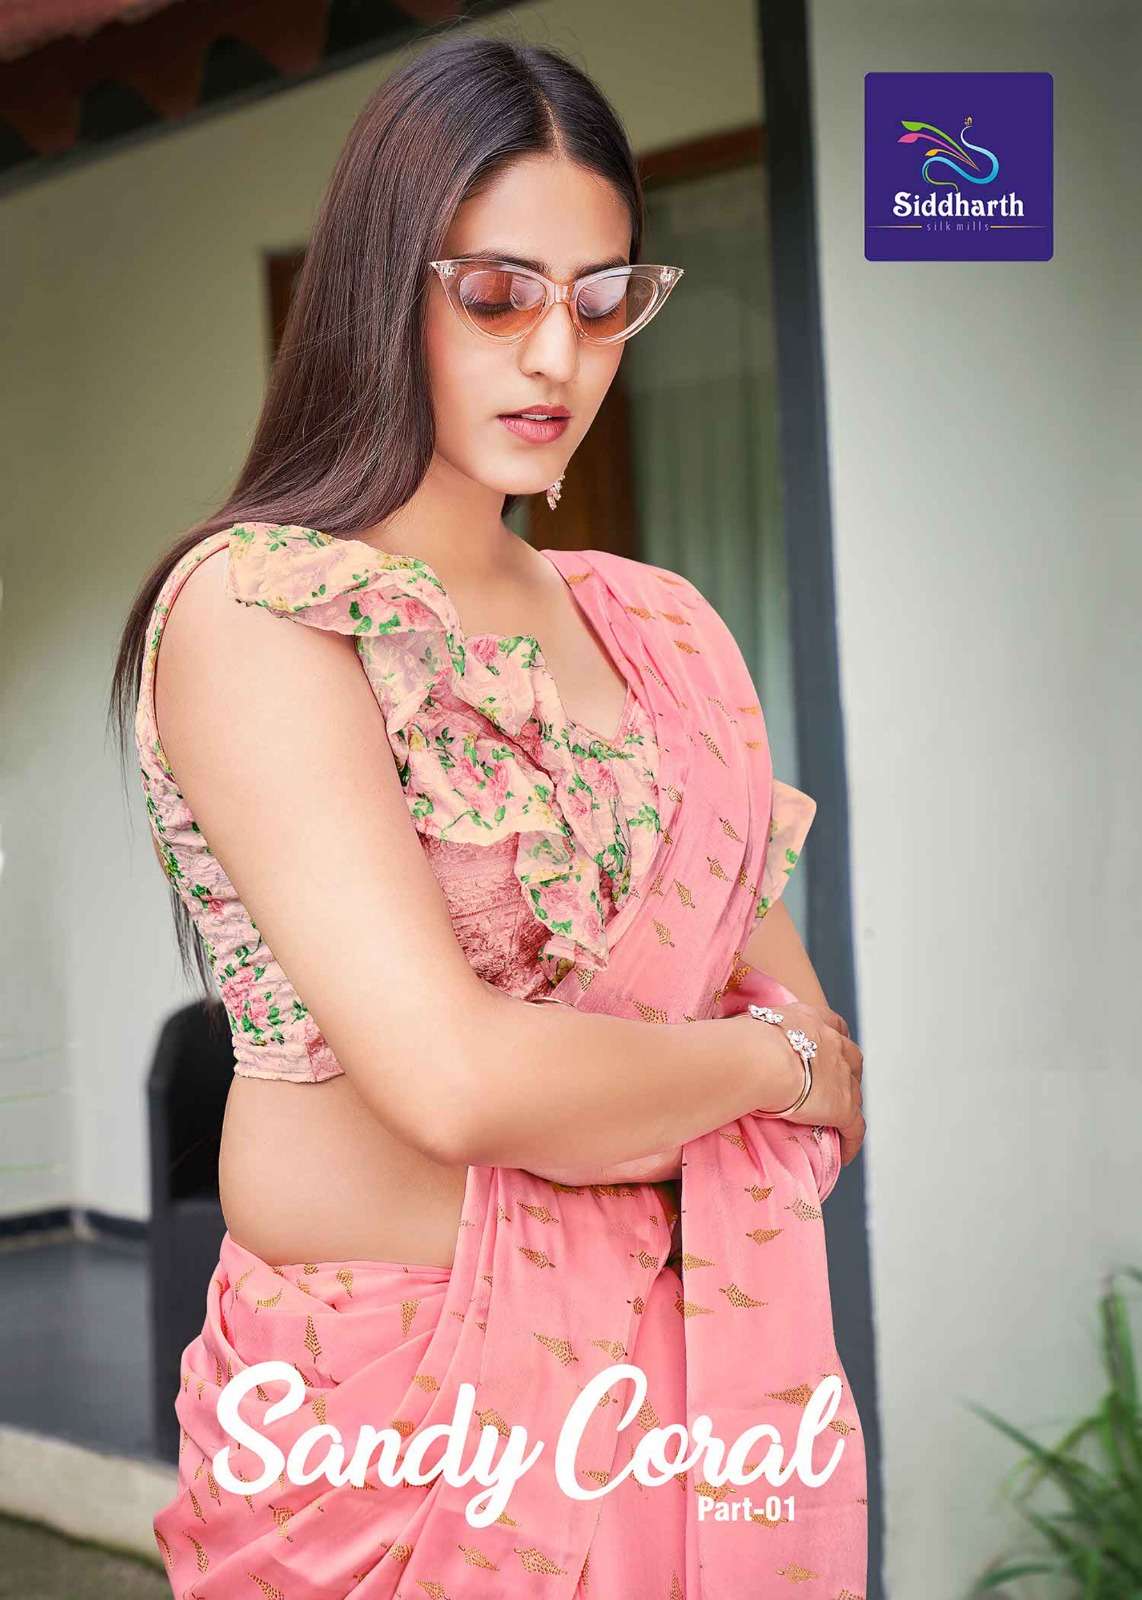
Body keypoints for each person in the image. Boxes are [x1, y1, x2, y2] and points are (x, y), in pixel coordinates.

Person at [111, 32, 867, 1598]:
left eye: (600, 302)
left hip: (672, 1393)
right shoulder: (262, 612)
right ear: (379, 288)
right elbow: (454, 1081)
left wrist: (763, 1074)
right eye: (498, 294)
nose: (555, 359)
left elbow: (816, 1072)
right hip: (379, 1423)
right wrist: (761, 1068)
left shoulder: (654, 631)